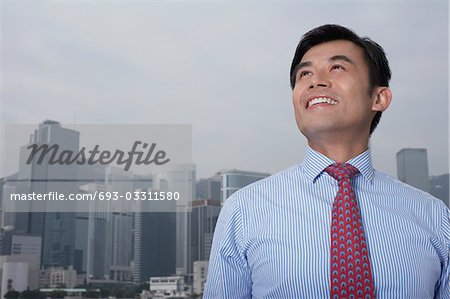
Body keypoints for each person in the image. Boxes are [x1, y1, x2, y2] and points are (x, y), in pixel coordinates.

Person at [203, 24, 449, 298]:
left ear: (379, 97)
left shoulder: (433, 216)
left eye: (337, 68)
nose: (315, 81)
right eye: (304, 73)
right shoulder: (244, 211)